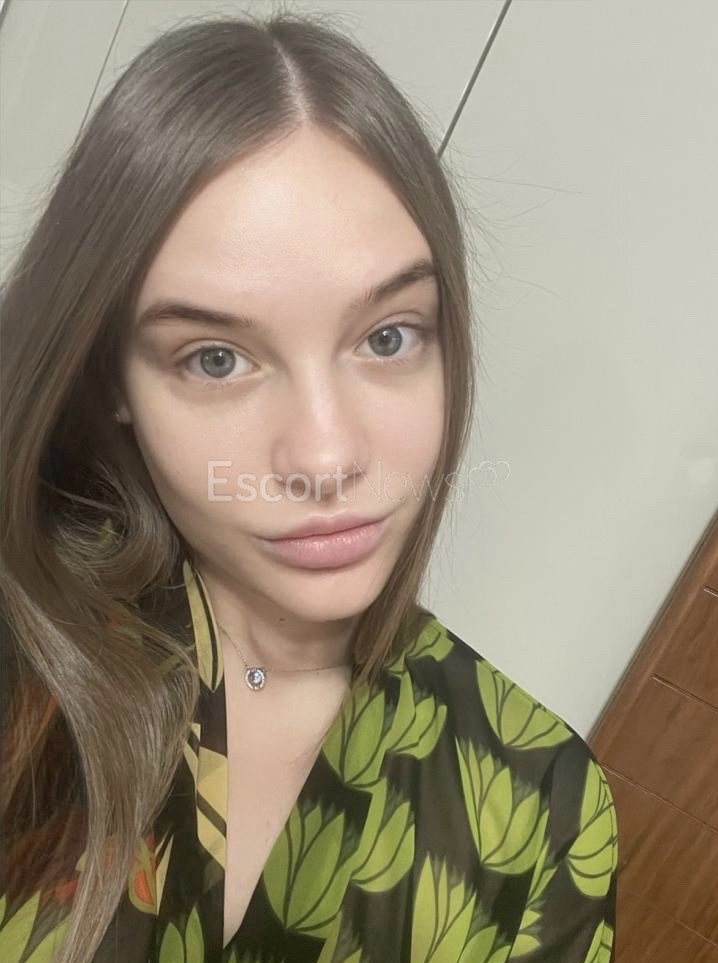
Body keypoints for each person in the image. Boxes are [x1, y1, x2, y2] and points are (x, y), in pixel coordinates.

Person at [0, 11, 618, 963]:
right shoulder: (25, 665)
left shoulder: (540, 809)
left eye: (387, 337)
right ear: (110, 379)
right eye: (215, 357)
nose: (326, 457)